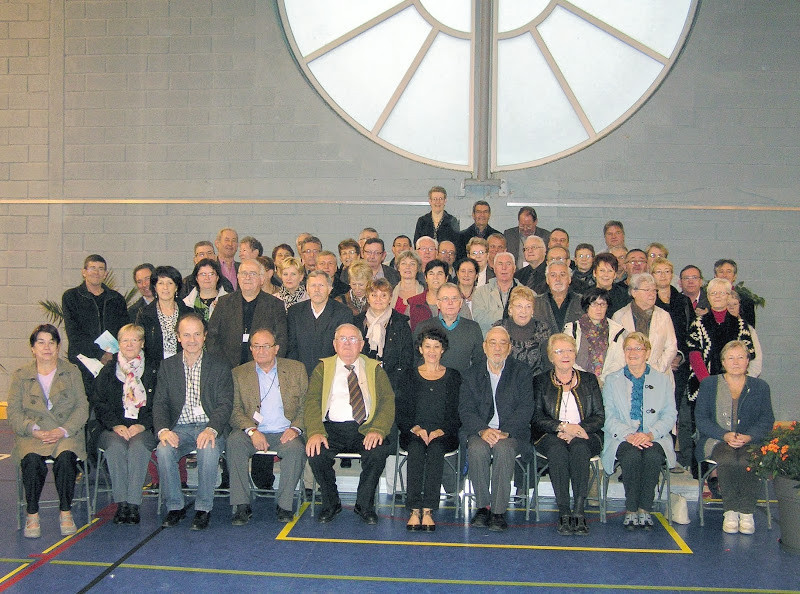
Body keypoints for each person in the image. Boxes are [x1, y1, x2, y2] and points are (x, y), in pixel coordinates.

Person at [304, 324, 395, 524]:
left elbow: (387, 401)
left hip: (365, 428)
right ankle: (331, 503)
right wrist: (316, 431)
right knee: (316, 452)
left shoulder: (374, 368)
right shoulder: (322, 368)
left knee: (378, 451)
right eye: (342, 339)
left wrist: (378, 429)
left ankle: (364, 505)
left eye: (353, 339)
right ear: (334, 344)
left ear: (361, 345)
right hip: (331, 429)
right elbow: (311, 402)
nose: (347, 344)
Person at [154, 312, 234, 531]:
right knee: (163, 450)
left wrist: (212, 429)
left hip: (208, 426)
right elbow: (160, 403)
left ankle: (203, 508)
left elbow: (225, 403)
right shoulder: (167, 366)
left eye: (197, 334)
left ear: (205, 336)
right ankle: (175, 506)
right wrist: (163, 430)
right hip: (178, 428)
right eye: (186, 335)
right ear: (178, 337)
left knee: (208, 449)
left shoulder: (219, 366)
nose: (192, 340)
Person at [8, 324, 89, 538]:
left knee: (66, 458)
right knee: (31, 461)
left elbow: (82, 407)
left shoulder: (71, 372)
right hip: (33, 434)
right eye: (41, 342)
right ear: (32, 348)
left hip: (65, 433)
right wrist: (33, 429)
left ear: (58, 346)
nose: (46, 347)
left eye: (51, 343)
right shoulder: (21, 376)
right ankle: (32, 513)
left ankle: (66, 511)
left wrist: (63, 430)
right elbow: (13, 412)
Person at [227, 329, 308, 525]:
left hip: (285, 431)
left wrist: (295, 429)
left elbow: (307, 405)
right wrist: (252, 431)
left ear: (276, 348)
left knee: (296, 449)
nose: (261, 350)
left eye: (266, 346)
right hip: (253, 432)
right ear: (251, 349)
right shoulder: (239, 373)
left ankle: (284, 505)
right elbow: (234, 410)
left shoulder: (296, 369)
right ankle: (241, 504)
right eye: (256, 346)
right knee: (234, 442)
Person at [460, 326, 535, 532]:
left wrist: (506, 431)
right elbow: (465, 409)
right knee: (477, 449)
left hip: (511, 432)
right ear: (484, 347)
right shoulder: (471, 373)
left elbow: (526, 407)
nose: (497, 348)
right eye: (492, 343)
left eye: (503, 343)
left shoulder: (521, 372)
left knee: (504, 448)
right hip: (480, 431)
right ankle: (483, 507)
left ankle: (498, 512)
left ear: (510, 348)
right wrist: (483, 430)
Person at [694, 340, 774, 534]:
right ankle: (730, 511)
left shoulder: (761, 387)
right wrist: (724, 434)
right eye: (730, 358)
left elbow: (767, 420)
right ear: (723, 362)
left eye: (740, 357)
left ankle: (746, 512)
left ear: (747, 361)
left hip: (751, 441)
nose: (736, 362)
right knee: (728, 459)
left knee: (748, 460)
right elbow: (701, 419)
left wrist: (748, 437)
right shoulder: (709, 384)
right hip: (717, 440)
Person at [602, 332, 677, 530]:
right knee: (632, 456)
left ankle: (645, 509)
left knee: (652, 456)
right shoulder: (611, 380)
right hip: (622, 438)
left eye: (638, 348)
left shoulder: (662, 380)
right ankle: (631, 509)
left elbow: (670, 414)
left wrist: (650, 434)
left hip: (655, 437)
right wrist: (629, 434)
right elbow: (608, 416)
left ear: (648, 353)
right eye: (628, 348)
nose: (633, 352)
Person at [532, 333, 605, 535]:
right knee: (557, 451)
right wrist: (562, 427)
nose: (565, 355)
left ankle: (579, 512)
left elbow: (599, 416)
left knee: (580, 448)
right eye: (559, 351)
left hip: (585, 434)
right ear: (551, 356)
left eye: (570, 350)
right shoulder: (540, 381)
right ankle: (564, 511)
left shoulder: (589, 380)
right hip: (550, 435)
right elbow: (536, 417)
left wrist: (578, 430)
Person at [92, 324, 158, 525]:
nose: (129, 344)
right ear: (118, 344)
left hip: (144, 428)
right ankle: (122, 503)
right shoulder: (107, 371)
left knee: (138, 447)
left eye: (134, 340)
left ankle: (134, 504)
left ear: (142, 343)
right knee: (115, 447)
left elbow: (161, 404)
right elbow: (99, 403)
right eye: (125, 340)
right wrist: (115, 425)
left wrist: (142, 425)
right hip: (112, 429)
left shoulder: (154, 370)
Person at [398, 328, 461, 531]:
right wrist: (415, 428)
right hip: (413, 432)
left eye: (436, 346)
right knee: (416, 449)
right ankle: (414, 509)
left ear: (443, 350)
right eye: (427, 346)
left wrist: (442, 430)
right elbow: (401, 410)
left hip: (444, 433)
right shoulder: (409, 375)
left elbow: (458, 411)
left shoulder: (453, 376)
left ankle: (428, 510)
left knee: (435, 449)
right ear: (420, 349)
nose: (432, 351)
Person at [650, 257, 694, 470]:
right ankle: (654, 453)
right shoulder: (649, 300)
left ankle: (669, 455)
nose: (663, 276)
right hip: (655, 363)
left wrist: (679, 356)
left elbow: (689, 332)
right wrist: (663, 359)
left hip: (678, 365)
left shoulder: (682, 301)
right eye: (658, 272)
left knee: (672, 410)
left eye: (667, 271)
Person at [62, 254, 129, 393]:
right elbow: (74, 333)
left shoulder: (116, 299)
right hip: (83, 363)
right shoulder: (71, 297)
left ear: (105, 274)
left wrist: (112, 356)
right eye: (92, 268)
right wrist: (99, 354)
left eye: (101, 269)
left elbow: (124, 331)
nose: (96, 272)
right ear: (84, 272)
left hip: (112, 363)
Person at [206, 258, 289, 370]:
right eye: (244, 273)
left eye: (253, 273)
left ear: (262, 279)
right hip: (227, 368)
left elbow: (281, 340)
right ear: (238, 277)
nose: (247, 277)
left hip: (263, 368)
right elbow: (212, 337)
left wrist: (268, 366)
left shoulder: (275, 305)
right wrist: (222, 365)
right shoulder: (224, 302)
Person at [686, 277, 755, 402]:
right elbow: (694, 355)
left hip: (734, 387)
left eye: (722, 293)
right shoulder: (697, 323)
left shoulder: (740, 325)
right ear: (708, 296)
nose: (717, 296)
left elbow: (748, 355)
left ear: (729, 296)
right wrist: (709, 383)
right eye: (713, 293)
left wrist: (731, 382)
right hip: (703, 387)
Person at [287, 270, 354, 377]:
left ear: (330, 289)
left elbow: (345, 348)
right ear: (307, 289)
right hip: (301, 374)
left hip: (332, 374)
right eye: (313, 285)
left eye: (321, 285)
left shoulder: (343, 313)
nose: (317, 290)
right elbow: (291, 347)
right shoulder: (295, 312)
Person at [353, 278, 414, 396]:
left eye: (383, 295)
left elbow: (407, 358)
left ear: (390, 298)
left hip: (393, 386)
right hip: (362, 383)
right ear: (368, 298)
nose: (378, 299)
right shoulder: (357, 322)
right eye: (374, 295)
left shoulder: (401, 323)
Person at [612, 273, 678, 376]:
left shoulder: (664, 316)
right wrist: (632, 370)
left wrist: (656, 370)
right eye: (647, 290)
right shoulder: (619, 316)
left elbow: (671, 347)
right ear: (634, 292)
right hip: (627, 375)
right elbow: (616, 349)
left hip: (659, 375)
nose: (652, 294)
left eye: (654, 290)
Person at [414, 283, 485, 374]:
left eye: (454, 298)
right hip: (430, 379)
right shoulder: (423, 327)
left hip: (462, 381)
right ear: (438, 303)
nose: (450, 303)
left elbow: (479, 363)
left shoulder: (473, 328)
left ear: (461, 303)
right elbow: (416, 360)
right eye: (445, 299)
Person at [564, 287, 627, 386]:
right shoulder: (572, 330)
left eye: (603, 304)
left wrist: (602, 379)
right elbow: (567, 358)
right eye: (594, 304)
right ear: (587, 306)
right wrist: (588, 379)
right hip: (578, 382)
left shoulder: (616, 331)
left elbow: (619, 361)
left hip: (607, 383)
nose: (599, 308)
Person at [136, 265, 194, 364]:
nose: (165, 287)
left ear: (176, 287)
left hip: (183, 366)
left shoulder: (188, 313)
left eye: (170, 283)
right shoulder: (144, 314)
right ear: (155, 287)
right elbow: (139, 344)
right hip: (155, 368)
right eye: (161, 283)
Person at [492, 286, 550, 376]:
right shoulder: (500, 328)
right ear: (510, 309)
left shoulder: (542, 329)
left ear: (532, 310)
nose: (524, 311)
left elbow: (547, 363)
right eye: (519, 306)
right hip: (505, 380)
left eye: (528, 306)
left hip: (535, 381)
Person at [472, 251, 520, 335]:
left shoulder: (528, 294)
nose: (504, 268)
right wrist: (512, 315)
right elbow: (479, 318)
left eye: (508, 264)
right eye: (500, 264)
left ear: (514, 268)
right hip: (489, 340)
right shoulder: (480, 293)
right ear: (494, 268)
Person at [532, 261, 583, 336]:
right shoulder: (535, 302)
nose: (558, 279)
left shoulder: (582, 302)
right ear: (547, 280)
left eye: (562, 275)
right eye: (553, 275)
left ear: (569, 279)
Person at [407, 259, 448, 332]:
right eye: (431, 274)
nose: (435, 277)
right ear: (425, 278)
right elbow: (406, 331)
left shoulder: (455, 302)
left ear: (446, 278)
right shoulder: (414, 303)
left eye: (440, 274)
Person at [727, 291, 762, 376]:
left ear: (739, 307)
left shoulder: (749, 330)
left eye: (735, 304)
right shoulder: (716, 327)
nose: (732, 307)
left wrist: (746, 379)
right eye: (728, 304)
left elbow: (756, 361)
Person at [713, 259, 756, 327]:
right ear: (715, 276)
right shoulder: (707, 301)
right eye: (721, 272)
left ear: (734, 276)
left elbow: (749, 329)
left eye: (729, 272)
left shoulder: (746, 302)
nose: (725, 275)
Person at [592, 252, 629, 316]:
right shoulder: (586, 294)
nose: (606, 275)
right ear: (594, 273)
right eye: (602, 270)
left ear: (615, 275)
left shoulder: (624, 295)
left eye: (610, 271)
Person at [390, 250, 424, 315]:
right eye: (403, 263)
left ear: (418, 268)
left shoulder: (425, 291)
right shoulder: (390, 291)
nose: (408, 267)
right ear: (398, 268)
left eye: (412, 264)